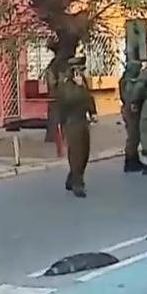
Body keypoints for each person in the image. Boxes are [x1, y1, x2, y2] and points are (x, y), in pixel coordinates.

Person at [57, 57, 97, 198]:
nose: (82, 72)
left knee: (85, 152)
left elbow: (88, 98)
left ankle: (72, 177)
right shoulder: (65, 85)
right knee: (76, 153)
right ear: (73, 70)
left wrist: (93, 112)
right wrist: (79, 87)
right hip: (71, 122)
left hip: (82, 120)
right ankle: (77, 183)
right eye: (80, 69)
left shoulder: (82, 82)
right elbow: (68, 101)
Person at [119, 60, 144, 172]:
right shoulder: (129, 81)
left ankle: (134, 159)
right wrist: (133, 104)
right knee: (133, 136)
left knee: (135, 136)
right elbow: (129, 96)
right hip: (131, 110)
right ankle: (130, 161)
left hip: (128, 109)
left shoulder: (126, 79)